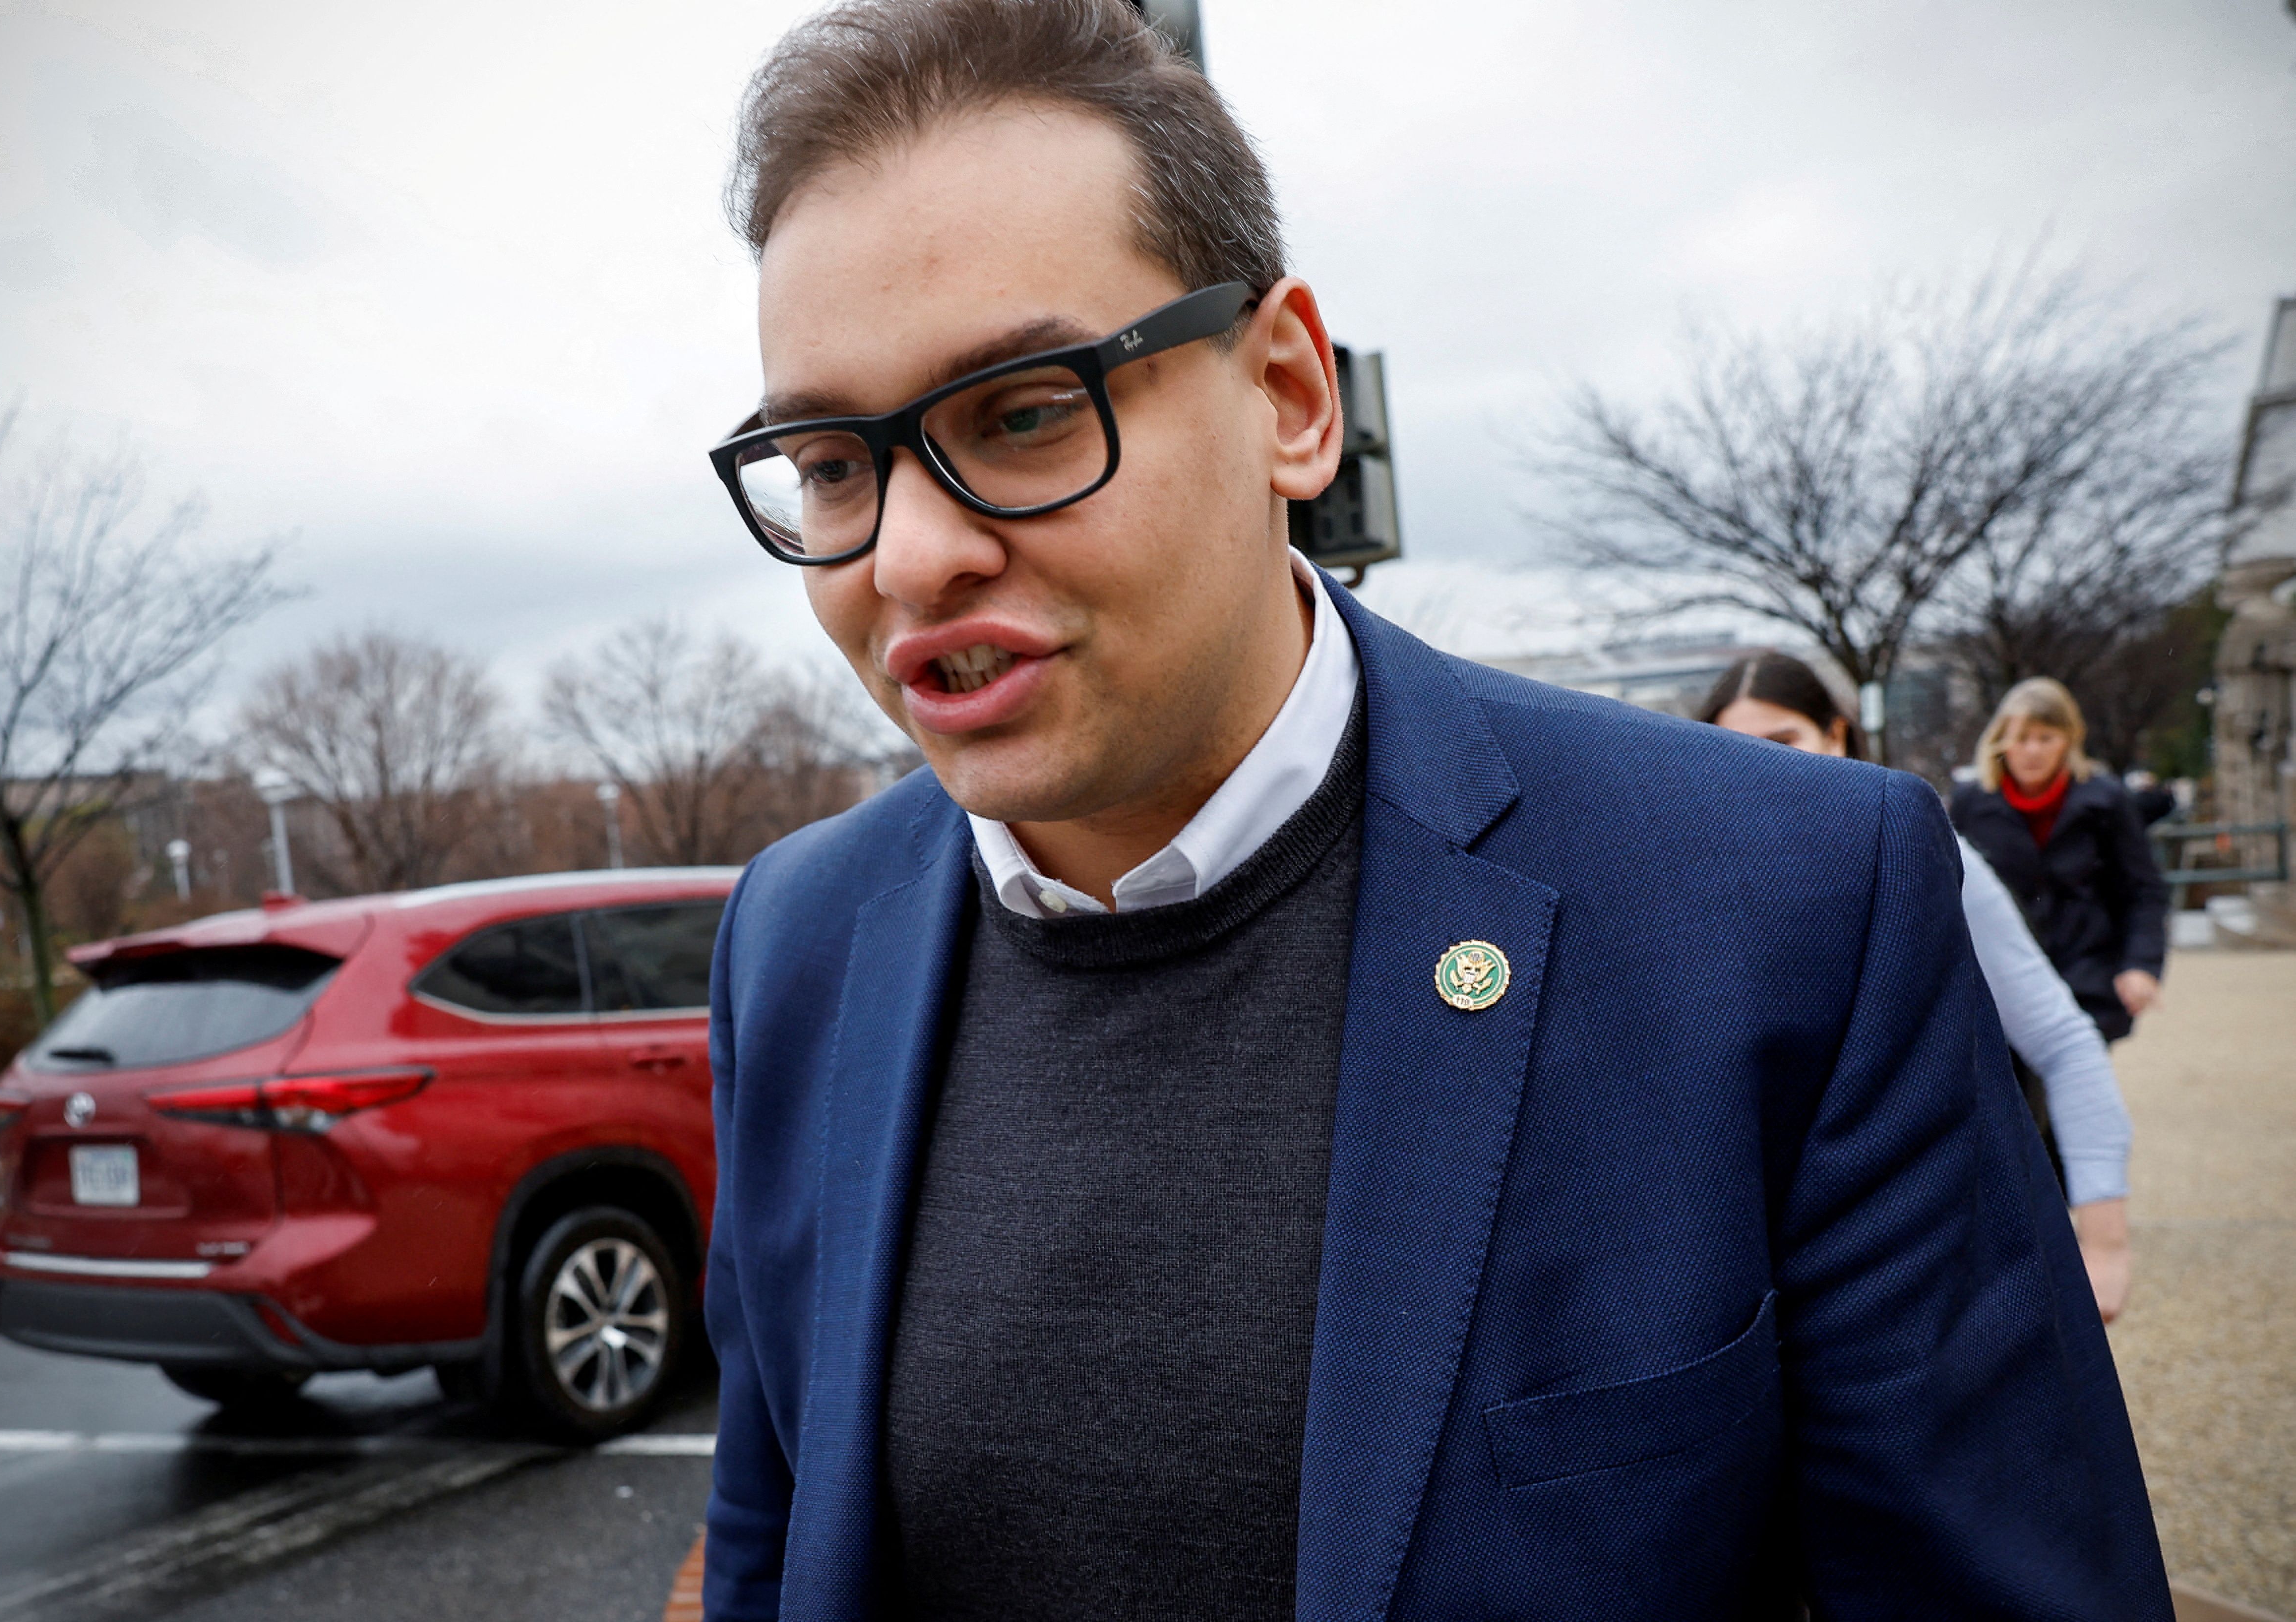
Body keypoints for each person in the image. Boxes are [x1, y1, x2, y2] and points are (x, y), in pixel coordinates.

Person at [697, 2, 2170, 1615]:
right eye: (834, 462)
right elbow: (771, 1545)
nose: (909, 555)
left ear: (1288, 394)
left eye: (1028, 409)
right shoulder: (796, 941)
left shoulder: (1785, 911)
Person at [1702, 652, 2134, 1322]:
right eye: (1732, 748)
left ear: (1835, 735)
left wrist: (2103, 1241)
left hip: (1918, 1232)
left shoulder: (1917, 852)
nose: (1761, 768)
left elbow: (2061, 1039)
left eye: (1782, 742)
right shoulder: (1696, 884)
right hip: (1755, 1258)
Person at [1951, 679, 2172, 1045]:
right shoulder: (1971, 805)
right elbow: (1951, 896)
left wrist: (2140, 965)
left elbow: (2142, 889)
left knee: (2072, 1086)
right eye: (2022, 739)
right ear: (2001, 740)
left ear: (2068, 740)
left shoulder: (2106, 801)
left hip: (2087, 974)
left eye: (2046, 738)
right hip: (2001, 981)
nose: (2032, 751)